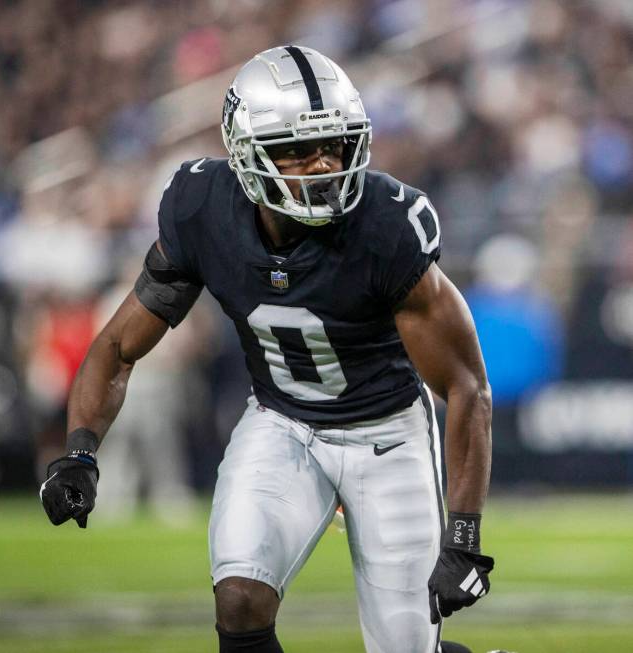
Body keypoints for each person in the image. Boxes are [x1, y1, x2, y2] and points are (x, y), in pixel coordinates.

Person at [40, 46, 494, 653]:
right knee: (240, 596)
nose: (323, 164)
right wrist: (80, 453)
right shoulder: (203, 209)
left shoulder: (386, 224)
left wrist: (462, 536)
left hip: (387, 436)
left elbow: (467, 386)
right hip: (284, 422)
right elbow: (119, 346)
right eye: (298, 150)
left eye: (333, 144)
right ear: (247, 156)